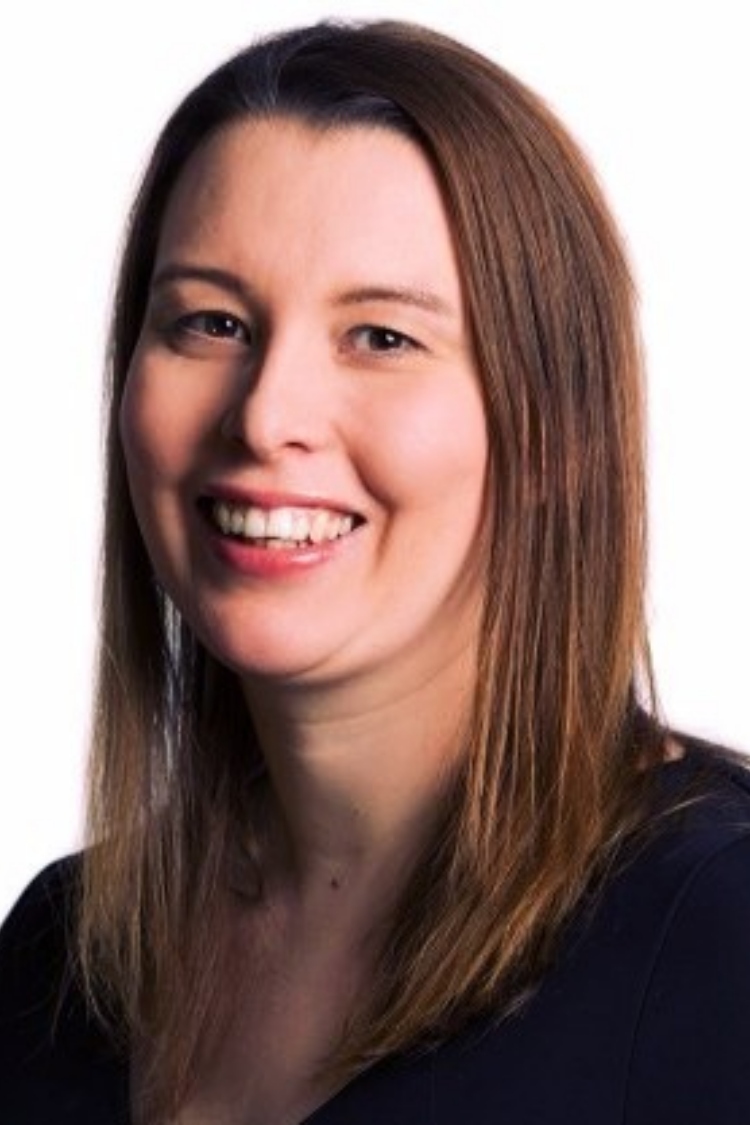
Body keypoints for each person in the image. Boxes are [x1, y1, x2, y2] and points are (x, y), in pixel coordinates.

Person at [1, 19, 749, 1125]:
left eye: (382, 338)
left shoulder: (719, 939)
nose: (267, 415)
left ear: (560, 434)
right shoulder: (56, 961)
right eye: (211, 322)